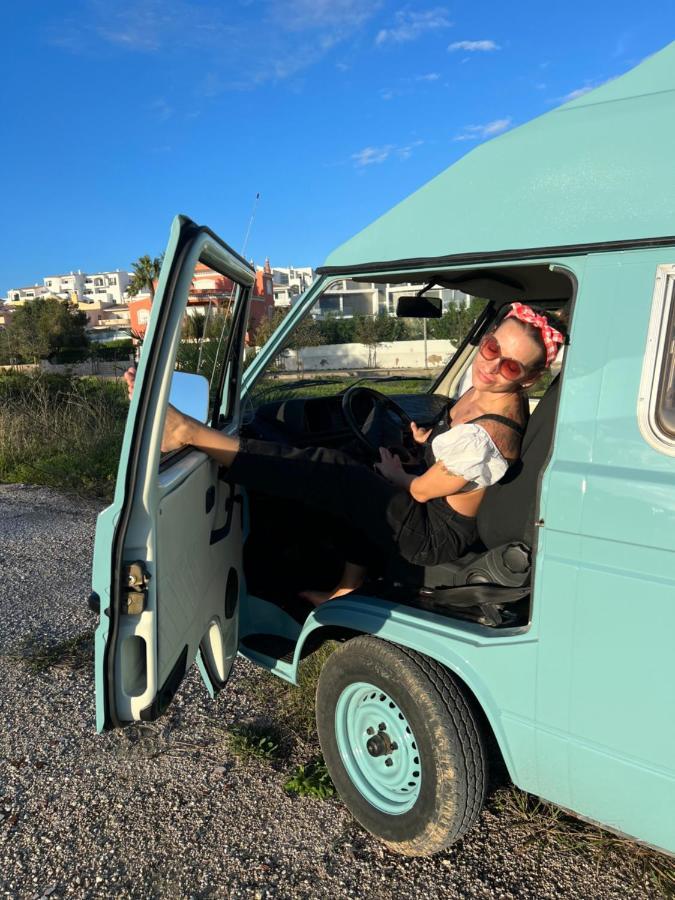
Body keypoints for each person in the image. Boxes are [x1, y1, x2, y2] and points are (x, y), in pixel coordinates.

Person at [125, 302, 564, 605]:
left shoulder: (489, 437)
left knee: (337, 469)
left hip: (433, 534)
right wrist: (424, 440)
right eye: (492, 348)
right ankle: (348, 587)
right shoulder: (487, 391)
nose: (491, 365)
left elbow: (423, 490)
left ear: (528, 379)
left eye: (510, 365)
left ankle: (188, 432)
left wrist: (396, 473)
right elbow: (453, 443)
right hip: (436, 508)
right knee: (358, 473)